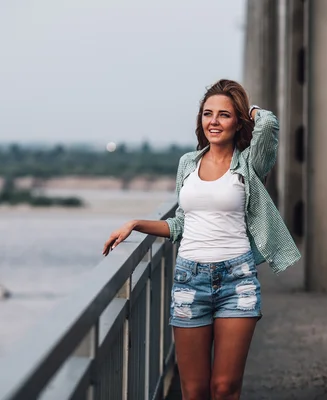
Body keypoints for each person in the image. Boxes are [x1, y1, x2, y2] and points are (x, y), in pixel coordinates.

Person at [102, 79, 300, 400]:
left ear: (238, 122)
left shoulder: (249, 163)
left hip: (238, 281)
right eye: (208, 114)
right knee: (193, 391)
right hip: (189, 280)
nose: (214, 121)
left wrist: (248, 108)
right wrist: (136, 224)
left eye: (224, 115)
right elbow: (181, 223)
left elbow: (269, 125)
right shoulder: (187, 164)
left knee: (224, 388)